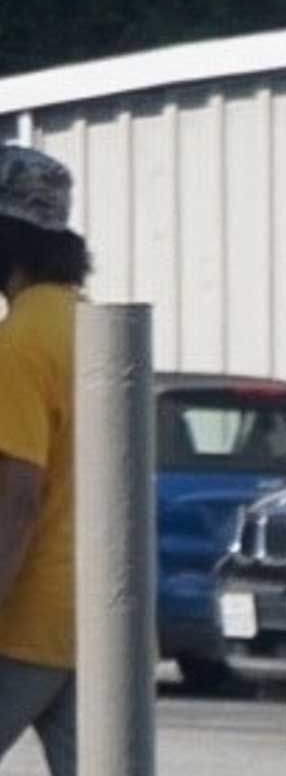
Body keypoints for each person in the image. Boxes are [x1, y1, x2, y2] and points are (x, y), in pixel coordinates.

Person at [0, 144, 90, 776]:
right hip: (103, 622)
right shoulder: (96, 329)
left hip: (25, 625)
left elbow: (18, 499)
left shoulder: (19, 345)